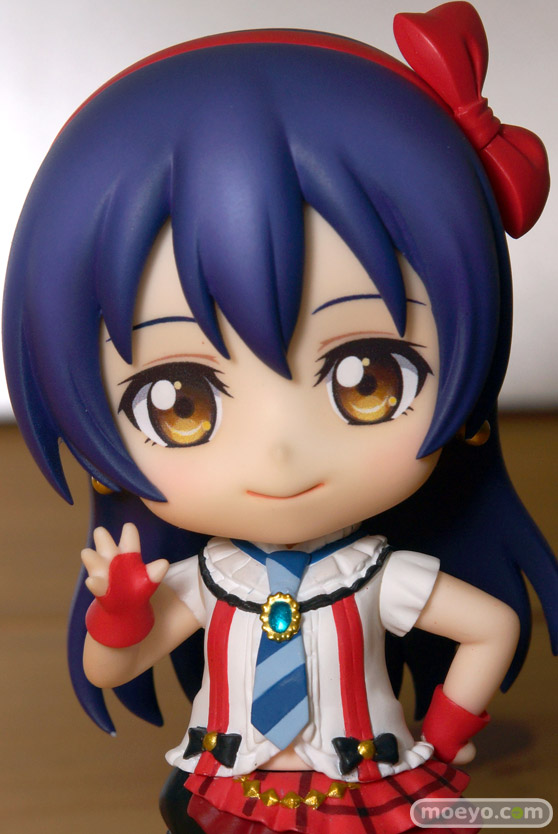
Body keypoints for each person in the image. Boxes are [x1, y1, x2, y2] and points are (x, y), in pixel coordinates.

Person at [3, 4, 556, 833]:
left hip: (362, 779)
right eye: (181, 402)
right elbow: (115, 663)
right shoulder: (207, 583)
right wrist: (119, 614)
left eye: (368, 379)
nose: (281, 453)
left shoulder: (377, 576)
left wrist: (440, 742)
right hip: (229, 785)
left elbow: (492, 627)